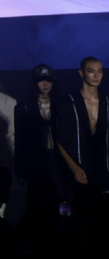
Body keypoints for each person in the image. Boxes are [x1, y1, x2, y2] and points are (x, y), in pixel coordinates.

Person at [55, 56, 109, 193]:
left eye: (99, 71)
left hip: (103, 170)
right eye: (91, 71)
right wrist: (72, 166)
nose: (96, 75)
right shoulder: (66, 103)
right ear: (81, 73)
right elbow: (58, 137)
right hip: (78, 168)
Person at [14, 64, 65, 197]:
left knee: (59, 195)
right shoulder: (23, 107)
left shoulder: (62, 104)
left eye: (48, 80)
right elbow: (20, 140)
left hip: (59, 159)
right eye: (41, 80)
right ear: (34, 82)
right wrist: (20, 169)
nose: (45, 84)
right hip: (35, 159)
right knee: (38, 196)